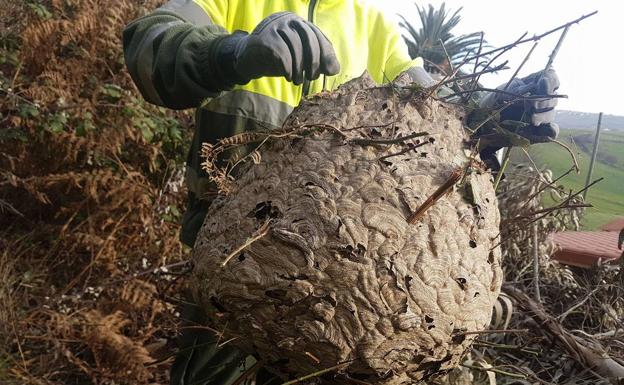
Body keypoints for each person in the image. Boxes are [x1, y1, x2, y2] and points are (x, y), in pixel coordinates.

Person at [123, 1, 560, 383]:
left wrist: (490, 115)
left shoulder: (374, 27)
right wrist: (231, 52)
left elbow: (436, 117)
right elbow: (150, 42)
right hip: (229, 283)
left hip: (352, 308)